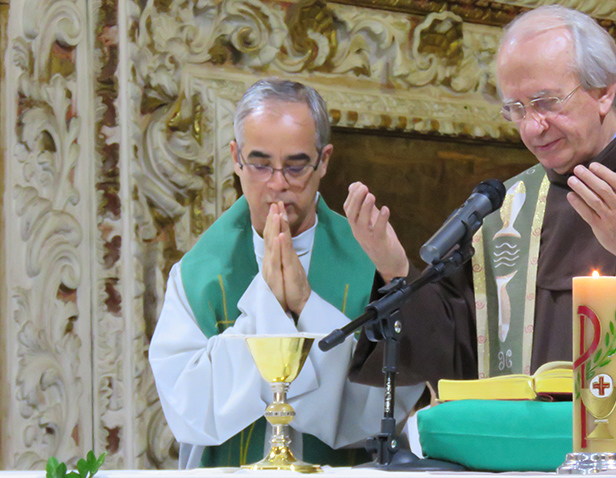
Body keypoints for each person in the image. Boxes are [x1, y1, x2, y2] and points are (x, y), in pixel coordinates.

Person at [344, 5, 616, 459]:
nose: (532, 127)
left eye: (547, 102)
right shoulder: (508, 210)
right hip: (531, 464)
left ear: (604, 91)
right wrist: (395, 269)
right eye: (516, 109)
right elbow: (460, 349)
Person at [148, 78, 424, 469]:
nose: (278, 184)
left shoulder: (368, 262)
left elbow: (384, 408)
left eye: (295, 166)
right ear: (236, 158)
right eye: (260, 164)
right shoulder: (198, 273)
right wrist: (268, 303)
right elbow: (187, 408)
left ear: (324, 160)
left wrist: (307, 304)